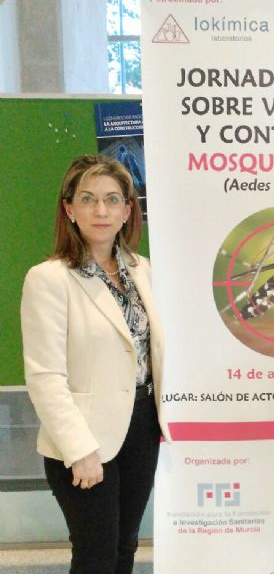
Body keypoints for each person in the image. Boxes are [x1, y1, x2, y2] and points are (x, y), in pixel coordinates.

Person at [21, 154, 171, 574]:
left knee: (125, 549)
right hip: (84, 437)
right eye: (87, 199)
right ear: (69, 209)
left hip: (141, 427)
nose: (100, 210)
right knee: (96, 557)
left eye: (112, 199)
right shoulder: (49, 279)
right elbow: (45, 376)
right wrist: (80, 450)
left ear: (128, 210)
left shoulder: (143, 271)